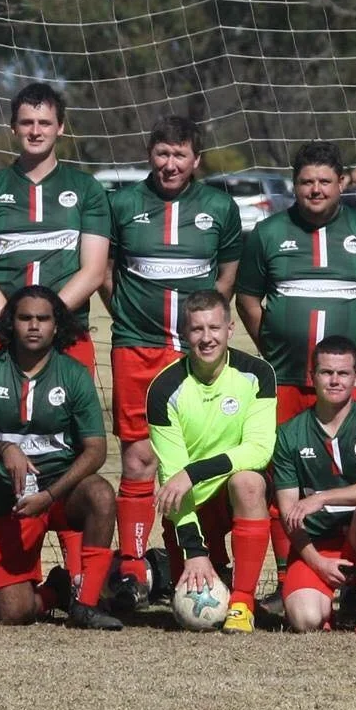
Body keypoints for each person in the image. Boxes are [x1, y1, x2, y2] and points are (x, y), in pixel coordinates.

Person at [103, 116, 241, 605]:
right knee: (140, 458)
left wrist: (203, 329)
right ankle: (133, 568)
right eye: (162, 153)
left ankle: (196, 560)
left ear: (196, 159)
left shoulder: (219, 207)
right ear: (150, 154)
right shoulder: (122, 204)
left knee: (198, 456)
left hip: (193, 351)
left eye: (180, 154)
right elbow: (106, 272)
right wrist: (127, 315)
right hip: (136, 345)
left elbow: (228, 273)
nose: (170, 163)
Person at [0, 285, 120, 629]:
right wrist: (3, 449)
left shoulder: (74, 374)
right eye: (25, 318)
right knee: (13, 614)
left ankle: (88, 603)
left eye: (43, 319)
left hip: (62, 494)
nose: (34, 326)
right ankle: (57, 590)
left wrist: (49, 495)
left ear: (56, 325)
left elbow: (96, 450)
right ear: (10, 323)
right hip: (10, 500)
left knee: (101, 493)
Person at [235, 140, 356, 422]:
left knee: (346, 451)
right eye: (307, 182)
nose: (316, 190)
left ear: (341, 183)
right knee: (283, 450)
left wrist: (350, 351)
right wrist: (274, 347)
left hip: (346, 383)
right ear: (295, 185)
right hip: (285, 381)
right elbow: (247, 301)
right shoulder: (267, 233)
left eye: (325, 181)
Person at [147, 291, 278, 632]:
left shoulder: (257, 373)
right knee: (194, 608)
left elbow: (259, 450)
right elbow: (172, 480)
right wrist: (194, 550)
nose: (207, 338)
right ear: (184, 333)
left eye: (214, 328)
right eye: (197, 329)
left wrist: (194, 472)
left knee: (249, 481)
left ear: (230, 329)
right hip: (190, 506)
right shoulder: (163, 389)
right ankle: (206, 565)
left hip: (233, 496)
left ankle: (243, 603)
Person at [0, 83, 111, 370]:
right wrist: (14, 323)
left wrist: (48, 321)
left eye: (45, 123)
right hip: (0, 334)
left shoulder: (87, 189)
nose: (36, 131)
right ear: (13, 127)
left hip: (68, 334)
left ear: (60, 127)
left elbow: (93, 271)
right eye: (27, 122)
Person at [271, 336, 356, 635]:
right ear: (312, 376)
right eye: (326, 372)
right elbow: (289, 514)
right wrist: (318, 563)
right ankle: (331, 602)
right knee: (305, 620)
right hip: (317, 545)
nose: (334, 380)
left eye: (343, 373)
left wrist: (322, 498)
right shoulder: (289, 434)